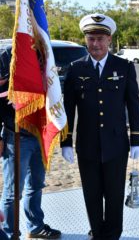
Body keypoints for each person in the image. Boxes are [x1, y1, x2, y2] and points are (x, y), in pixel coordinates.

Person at [61, 13, 139, 240]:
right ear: (85, 40)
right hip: (87, 145)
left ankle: (112, 235)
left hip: (116, 144)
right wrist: (66, 141)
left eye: (100, 38)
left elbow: (134, 105)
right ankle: (97, 234)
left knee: (115, 195)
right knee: (92, 194)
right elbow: (69, 109)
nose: (95, 44)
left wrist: (137, 139)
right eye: (91, 39)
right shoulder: (76, 69)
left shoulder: (124, 67)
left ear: (109, 41)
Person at [0, 48, 61, 239]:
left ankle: (35, 226)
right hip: (15, 136)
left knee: (36, 184)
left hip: (39, 134)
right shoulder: (10, 55)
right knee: (12, 192)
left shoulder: (45, 51)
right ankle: (9, 232)